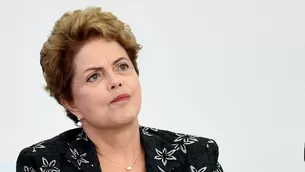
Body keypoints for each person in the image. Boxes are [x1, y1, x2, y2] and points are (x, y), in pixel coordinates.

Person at [16, 7, 223, 172]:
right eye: (94, 76)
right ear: (70, 102)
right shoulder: (42, 163)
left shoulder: (197, 155)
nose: (115, 81)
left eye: (122, 66)